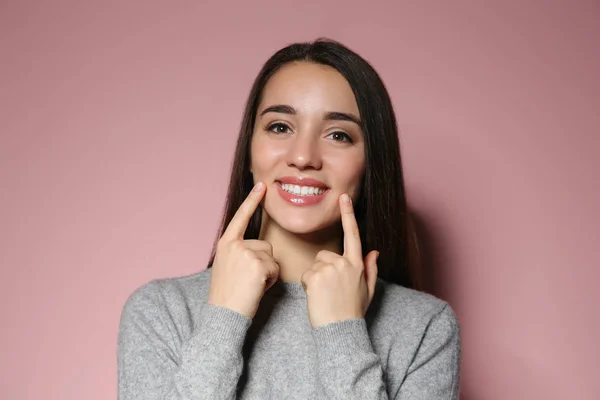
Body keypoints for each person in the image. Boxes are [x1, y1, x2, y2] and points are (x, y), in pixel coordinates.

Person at [117, 38, 461, 399]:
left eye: (338, 135)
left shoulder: (425, 327)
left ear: (370, 165)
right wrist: (223, 320)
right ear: (249, 152)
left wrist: (343, 332)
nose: (302, 156)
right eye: (280, 127)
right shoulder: (160, 311)